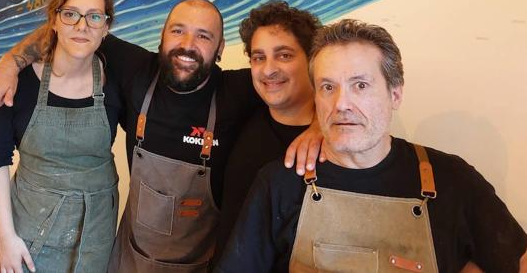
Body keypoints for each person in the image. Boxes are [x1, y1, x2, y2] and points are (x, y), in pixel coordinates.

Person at [0, 0, 322, 272]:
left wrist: (320, 125)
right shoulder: (136, 69)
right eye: (178, 31)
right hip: (128, 260)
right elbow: (75, 26)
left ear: (220, 50)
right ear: (161, 38)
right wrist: (11, 62)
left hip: (200, 265)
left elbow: (304, 78)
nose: (187, 45)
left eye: (203, 36)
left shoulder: (240, 92)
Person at [217, 19, 527, 273]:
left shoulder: (452, 180)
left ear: (395, 94)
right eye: (328, 87)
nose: (342, 104)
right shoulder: (280, 183)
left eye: (360, 85)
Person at [0, 0, 121, 273]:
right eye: (70, 14)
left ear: (105, 27)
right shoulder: (16, 83)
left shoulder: (118, 81)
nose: (82, 26)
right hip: (25, 236)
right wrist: (6, 238)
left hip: (93, 240)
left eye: (94, 17)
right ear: (53, 22)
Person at [214, 1, 321, 261]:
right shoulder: (241, 107)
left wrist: (322, 126)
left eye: (284, 55)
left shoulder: (339, 138)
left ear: (311, 60)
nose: (269, 69)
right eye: (259, 57)